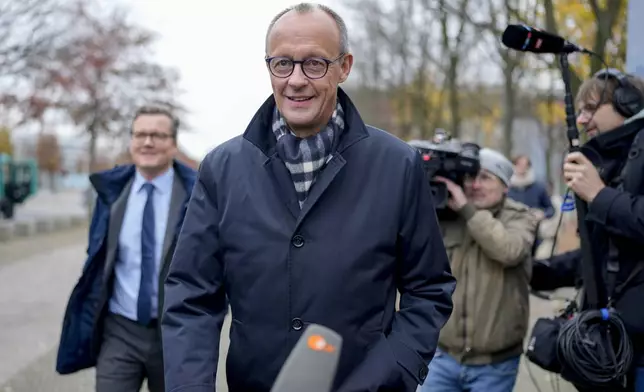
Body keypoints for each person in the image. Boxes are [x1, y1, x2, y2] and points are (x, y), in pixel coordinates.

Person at [161, 3, 456, 392]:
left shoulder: (398, 165)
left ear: (344, 66)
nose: (296, 80)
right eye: (282, 64)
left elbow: (428, 290)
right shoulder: (222, 169)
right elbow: (191, 297)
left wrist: (387, 376)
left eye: (314, 64)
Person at [55, 106, 197, 392]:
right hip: (120, 330)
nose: (147, 142)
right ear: (131, 140)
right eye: (140, 134)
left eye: (158, 135)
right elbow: (95, 257)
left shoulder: (198, 196)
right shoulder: (110, 193)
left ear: (174, 143)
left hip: (176, 334)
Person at [531, 68, 644, 391]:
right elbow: (603, 255)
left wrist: (599, 195)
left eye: (590, 108)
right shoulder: (610, 165)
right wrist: (539, 272)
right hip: (613, 346)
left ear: (628, 103)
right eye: (578, 111)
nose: (581, 120)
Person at [420, 148, 538, 392]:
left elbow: (509, 250)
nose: (475, 185)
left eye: (485, 177)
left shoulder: (520, 217)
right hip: (442, 357)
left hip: (494, 366)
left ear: (505, 185)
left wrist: (467, 210)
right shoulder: (447, 215)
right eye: (470, 177)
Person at [508, 155, 555, 221]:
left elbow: (550, 209)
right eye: (519, 164)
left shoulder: (539, 187)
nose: (522, 167)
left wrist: (543, 214)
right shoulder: (506, 188)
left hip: (533, 225)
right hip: (510, 225)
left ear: (529, 167)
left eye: (525, 165)